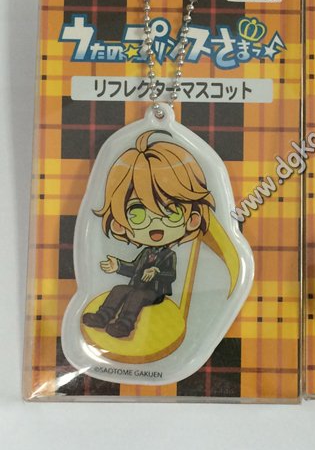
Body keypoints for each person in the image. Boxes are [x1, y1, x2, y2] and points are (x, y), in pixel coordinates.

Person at [82, 130, 238, 338]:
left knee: (136, 296)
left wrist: (156, 270)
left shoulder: (168, 256)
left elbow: (171, 275)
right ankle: (102, 317)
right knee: (119, 289)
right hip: (136, 287)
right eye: (137, 214)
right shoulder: (146, 253)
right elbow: (134, 269)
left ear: (192, 220)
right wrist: (118, 265)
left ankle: (124, 324)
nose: (155, 224)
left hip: (154, 293)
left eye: (172, 213)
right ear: (120, 223)